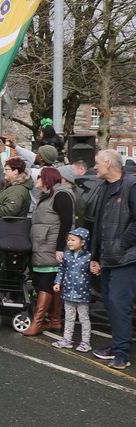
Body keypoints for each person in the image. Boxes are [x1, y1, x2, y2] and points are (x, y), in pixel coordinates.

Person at [90, 149, 136, 370]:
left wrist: (121, 245)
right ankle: (117, 345)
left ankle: (122, 354)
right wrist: (95, 256)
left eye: (98, 162)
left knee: (120, 304)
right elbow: (98, 224)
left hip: (126, 259)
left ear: (108, 164)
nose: (95, 166)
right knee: (110, 304)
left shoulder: (131, 186)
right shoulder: (104, 187)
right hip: (108, 258)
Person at [24, 167, 74, 336]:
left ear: (47, 180)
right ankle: (54, 320)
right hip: (43, 248)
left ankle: (37, 323)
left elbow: (66, 224)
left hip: (51, 249)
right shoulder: (48, 197)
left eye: (39, 178)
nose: (37, 181)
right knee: (50, 285)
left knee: (46, 284)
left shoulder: (60, 196)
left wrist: (60, 248)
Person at [51, 228, 92, 352]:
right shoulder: (67, 255)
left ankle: (85, 342)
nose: (69, 242)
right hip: (68, 292)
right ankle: (67, 339)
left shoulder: (89, 257)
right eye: (68, 240)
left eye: (73, 240)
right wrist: (57, 282)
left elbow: (92, 272)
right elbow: (61, 270)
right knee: (69, 317)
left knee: (84, 318)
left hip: (82, 293)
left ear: (83, 242)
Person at [0, 137, 59, 214]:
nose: (35, 155)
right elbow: (33, 157)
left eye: (38, 154)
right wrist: (15, 147)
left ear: (41, 158)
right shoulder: (55, 171)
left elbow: (11, 170)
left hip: (32, 212)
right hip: (47, 210)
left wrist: (3, 152)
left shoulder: (34, 173)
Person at [0, 157, 33, 226]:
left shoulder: (17, 190)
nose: (4, 172)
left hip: (9, 230)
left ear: (15, 171)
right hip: (9, 229)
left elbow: (9, 211)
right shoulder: (14, 187)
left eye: (6, 169)